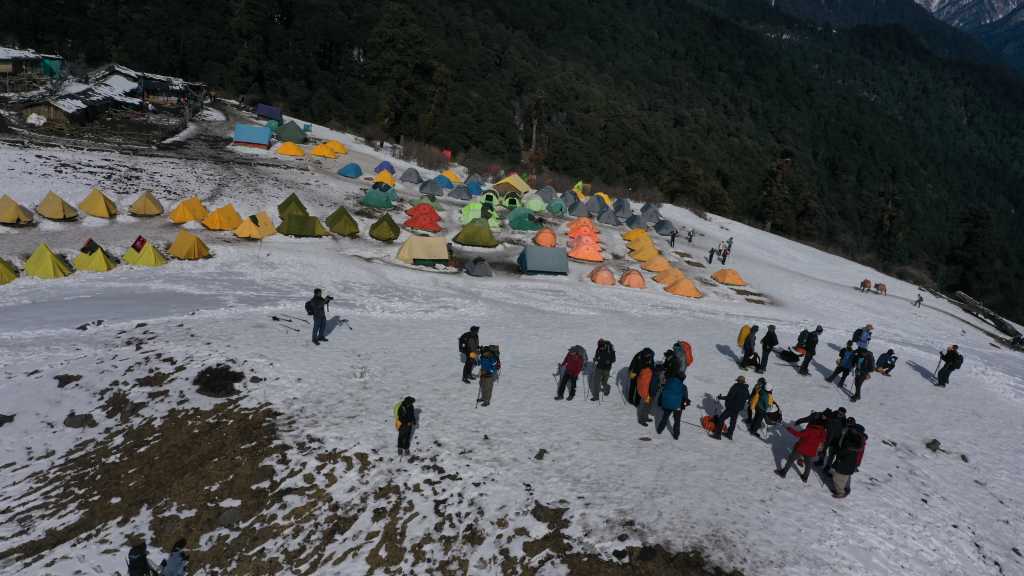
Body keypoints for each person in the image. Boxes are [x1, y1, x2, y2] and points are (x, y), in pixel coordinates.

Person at [775, 415, 827, 483]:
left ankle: (783, 472)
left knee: (791, 459)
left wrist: (788, 428)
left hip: (801, 448)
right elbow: (823, 439)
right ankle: (805, 477)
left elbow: (797, 434)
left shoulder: (809, 430)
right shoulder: (823, 432)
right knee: (808, 465)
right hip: (811, 451)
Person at [830, 419, 866, 498]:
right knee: (842, 479)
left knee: (837, 478)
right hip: (847, 464)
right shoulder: (857, 440)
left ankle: (840, 493)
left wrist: (837, 451)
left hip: (844, 464)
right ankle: (840, 489)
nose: (851, 429)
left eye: (854, 429)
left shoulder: (851, 444)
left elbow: (842, 452)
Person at [657, 371, 690, 439]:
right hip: (677, 406)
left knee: (665, 417)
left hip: (667, 404)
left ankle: (659, 430)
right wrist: (686, 403)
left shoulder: (668, 382)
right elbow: (685, 398)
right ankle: (676, 435)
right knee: (677, 420)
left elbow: (662, 391)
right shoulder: (683, 387)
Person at [816, 407, 847, 472]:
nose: (839, 414)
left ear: (844, 414)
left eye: (841, 414)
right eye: (839, 412)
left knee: (831, 454)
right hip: (827, 436)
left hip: (835, 439)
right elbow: (825, 421)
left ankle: (828, 466)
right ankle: (820, 460)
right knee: (822, 449)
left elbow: (844, 431)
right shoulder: (832, 415)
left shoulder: (844, 421)